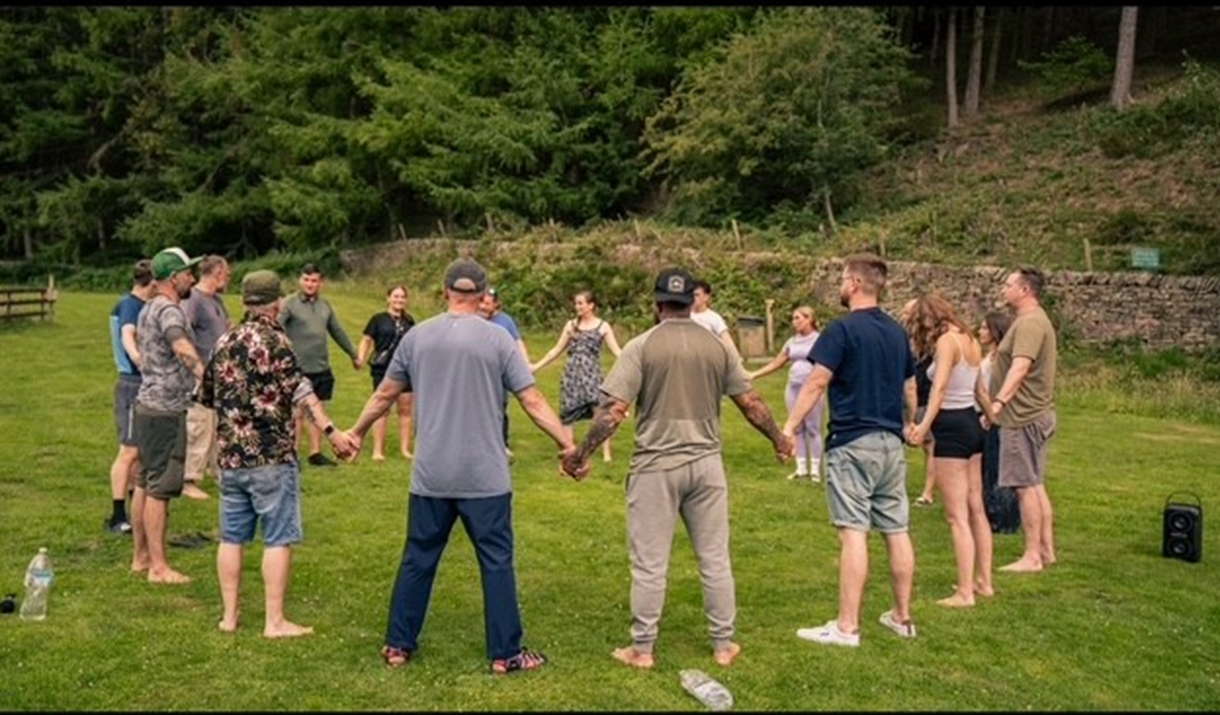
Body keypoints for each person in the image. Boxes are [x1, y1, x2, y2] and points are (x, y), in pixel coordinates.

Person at [340, 257, 575, 674]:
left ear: (446, 291)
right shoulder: (498, 339)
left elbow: (384, 395)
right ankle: (506, 654)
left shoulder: (417, 337)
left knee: (419, 557)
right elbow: (533, 401)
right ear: (484, 295)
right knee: (496, 561)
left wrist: (356, 433)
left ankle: (398, 645)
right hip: (485, 477)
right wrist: (566, 442)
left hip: (431, 475)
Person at [561, 267, 791, 671]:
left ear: (657, 304)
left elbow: (613, 412)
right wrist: (778, 439)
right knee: (715, 558)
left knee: (650, 563)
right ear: (693, 302)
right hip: (707, 466)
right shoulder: (718, 347)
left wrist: (582, 453)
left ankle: (643, 648)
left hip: (656, 467)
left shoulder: (642, 346)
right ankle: (723, 645)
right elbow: (752, 403)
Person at [199, 269, 355, 638]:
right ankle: (274, 622)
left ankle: (229, 617)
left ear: (244, 301)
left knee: (232, 538)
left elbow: (206, 395)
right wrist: (332, 432)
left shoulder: (225, 341)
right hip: (271, 455)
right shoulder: (277, 340)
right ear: (277, 301)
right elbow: (300, 390)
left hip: (231, 457)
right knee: (277, 537)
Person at [784, 254, 918, 647]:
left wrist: (790, 427)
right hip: (891, 442)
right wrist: (912, 424)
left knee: (853, 532)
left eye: (843, 279)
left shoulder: (841, 330)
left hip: (852, 440)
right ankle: (902, 617)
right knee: (896, 528)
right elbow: (910, 388)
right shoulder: (897, 333)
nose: (840, 285)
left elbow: (816, 383)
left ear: (856, 284)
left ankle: (847, 627)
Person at [906, 294, 993, 607]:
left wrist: (923, 426)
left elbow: (939, 388)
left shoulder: (946, 342)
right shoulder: (969, 340)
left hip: (952, 429)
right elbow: (980, 391)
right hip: (971, 424)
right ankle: (984, 581)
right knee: (976, 509)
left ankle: (965, 592)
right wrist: (994, 421)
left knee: (957, 516)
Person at [131, 246, 206, 585]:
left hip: (147, 405)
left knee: (145, 482)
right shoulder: (170, 311)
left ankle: (141, 557)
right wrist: (206, 375)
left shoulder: (148, 308)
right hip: (166, 410)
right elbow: (180, 345)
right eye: (188, 271)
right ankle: (159, 568)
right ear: (173, 278)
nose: (193, 277)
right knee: (160, 487)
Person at [989, 266, 1058, 573]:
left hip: (1022, 416)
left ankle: (1032, 556)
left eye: (1008, 285)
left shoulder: (1030, 324)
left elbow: (1020, 366)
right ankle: (1046, 550)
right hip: (1033, 413)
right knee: (1035, 483)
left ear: (1025, 290)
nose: (1004, 290)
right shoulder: (1033, 321)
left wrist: (999, 402)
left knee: (1024, 486)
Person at [278, 262, 362, 467]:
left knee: (318, 412)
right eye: (306, 280)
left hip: (320, 367)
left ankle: (315, 454)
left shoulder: (325, 306)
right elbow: (276, 327)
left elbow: (337, 330)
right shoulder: (289, 304)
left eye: (314, 280)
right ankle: (293, 453)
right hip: (298, 368)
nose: (310, 284)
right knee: (297, 413)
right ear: (300, 280)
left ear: (320, 282)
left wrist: (353, 353)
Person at [530, 290, 623, 463]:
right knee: (568, 412)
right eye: (576, 303)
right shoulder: (571, 325)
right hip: (572, 373)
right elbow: (556, 350)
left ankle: (606, 453)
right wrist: (536, 366)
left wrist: (634, 364)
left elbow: (617, 351)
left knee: (600, 411)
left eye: (581, 303)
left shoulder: (603, 326)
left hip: (592, 374)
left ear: (591, 305)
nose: (577, 307)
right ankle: (569, 450)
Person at [106, 258, 156, 534]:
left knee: (139, 451)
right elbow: (128, 333)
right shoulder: (130, 305)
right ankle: (117, 516)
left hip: (141, 382)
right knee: (128, 451)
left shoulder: (142, 305)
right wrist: (138, 358)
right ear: (152, 282)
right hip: (131, 383)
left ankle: (137, 510)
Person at [748, 305, 824, 482]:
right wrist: (754, 374)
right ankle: (801, 467)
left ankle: (815, 470)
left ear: (809, 319)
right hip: (793, 387)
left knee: (813, 427)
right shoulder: (792, 341)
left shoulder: (819, 340)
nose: (794, 322)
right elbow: (777, 362)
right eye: (793, 318)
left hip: (811, 388)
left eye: (798, 318)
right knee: (797, 428)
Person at [181, 254, 232, 500]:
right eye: (227, 274)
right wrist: (197, 370)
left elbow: (228, 327)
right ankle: (188, 478)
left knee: (217, 426)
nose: (229, 278)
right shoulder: (193, 299)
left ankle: (217, 470)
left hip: (219, 375)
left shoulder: (218, 301)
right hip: (199, 376)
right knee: (198, 425)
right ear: (218, 273)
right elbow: (183, 333)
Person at [357, 285, 417, 461]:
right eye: (395, 296)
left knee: (405, 410)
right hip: (383, 370)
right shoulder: (378, 319)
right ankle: (378, 451)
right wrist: (361, 358)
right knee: (381, 410)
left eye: (402, 297)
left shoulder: (409, 321)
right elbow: (366, 340)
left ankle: (405, 450)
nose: (399, 300)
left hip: (406, 370)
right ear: (388, 298)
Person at [975, 311, 1021, 534]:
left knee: (997, 467)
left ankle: (1002, 518)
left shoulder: (1000, 359)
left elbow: (995, 388)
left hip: (994, 416)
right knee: (988, 466)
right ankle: (993, 512)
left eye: (984, 328)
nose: (980, 332)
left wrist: (990, 412)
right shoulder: (989, 357)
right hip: (983, 413)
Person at [479, 286, 529, 457]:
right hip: (478, 370)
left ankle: (502, 444)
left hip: (499, 372)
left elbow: (517, 342)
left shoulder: (505, 321)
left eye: (487, 304)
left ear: (496, 305)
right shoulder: (474, 320)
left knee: (500, 407)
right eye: (481, 302)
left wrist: (525, 363)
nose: (483, 307)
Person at [900, 298, 937, 507]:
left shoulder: (933, 340)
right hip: (905, 395)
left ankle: (928, 492)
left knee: (930, 445)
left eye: (908, 311)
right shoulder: (903, 335)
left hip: (925, 396)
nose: (904, 315)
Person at [691, 279, 739, 357]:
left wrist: (736, 359)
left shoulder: (713, 318)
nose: (692, 298)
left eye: (696, 295)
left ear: (706, 297)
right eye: (690, 295)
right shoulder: (683, 315)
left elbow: (727, 341)